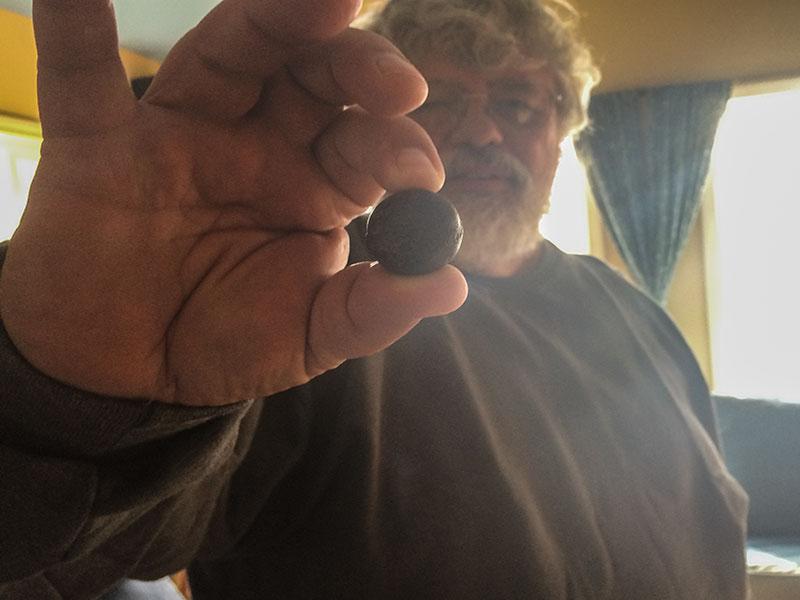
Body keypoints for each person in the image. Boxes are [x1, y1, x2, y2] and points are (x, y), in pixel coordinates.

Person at [0, 0, 749, 598]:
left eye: (520, 103)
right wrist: (63, 400)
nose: (484, 130)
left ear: (564, 132)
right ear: (376, 121)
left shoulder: (640, 319)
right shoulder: (290, 307)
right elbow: (72, 547)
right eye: (443, 99)